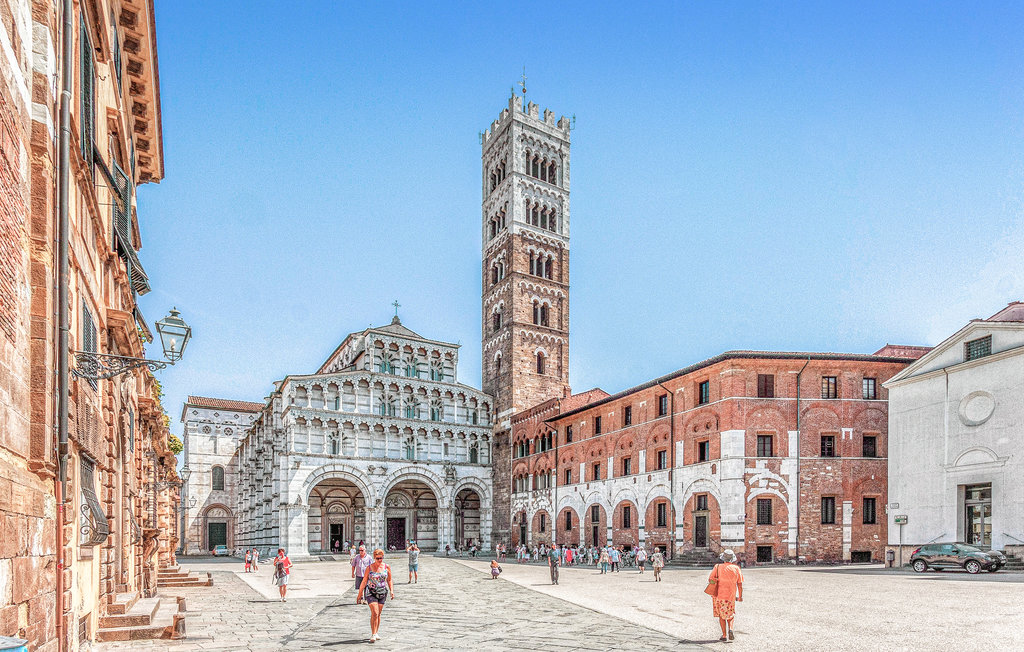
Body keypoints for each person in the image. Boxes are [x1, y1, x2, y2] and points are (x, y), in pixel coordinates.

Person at [356, 549, 395, 643]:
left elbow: (389, 580)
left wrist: (391, 591)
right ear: (374, 558)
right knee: (375, 612)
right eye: (378, 558)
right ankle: (373, 634)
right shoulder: (369, 568)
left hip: (382, 592)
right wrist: (360, 594)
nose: (379, 560)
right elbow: (364, 581)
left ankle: (376, 632)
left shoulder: (386, 567)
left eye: (381, 558)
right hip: (371, 592)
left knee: (378, 614)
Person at [708, 549, 744, 642]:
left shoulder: (718, 567)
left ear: (723, 558)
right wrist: (740, 596)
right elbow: (739, 584)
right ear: (732, 559)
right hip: (731, 596)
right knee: (730, 614)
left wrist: (715, 583)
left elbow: (711, 579)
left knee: (721, 615)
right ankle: (731, 629)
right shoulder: (736, 568)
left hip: (719, 595)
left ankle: (724, 635)